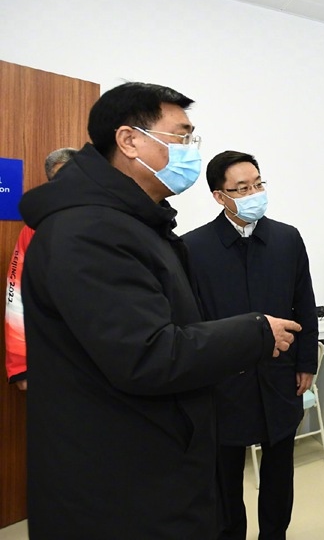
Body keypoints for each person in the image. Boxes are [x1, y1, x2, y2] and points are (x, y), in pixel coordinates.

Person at [18, 82, 301, 540]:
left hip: (150, 461)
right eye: (182, 136)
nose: (191, 150)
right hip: (119, 482)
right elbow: (148, 354)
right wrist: (256, 332)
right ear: (130, 141)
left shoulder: (136, 225)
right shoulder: (90, 231)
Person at [183, 151, 319, 540]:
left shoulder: (286, 239)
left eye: (258, 183)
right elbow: (190, 322)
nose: (253, 193)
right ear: (219, 196)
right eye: (241, 188)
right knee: (224, 481)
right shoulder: (193, 248)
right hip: (223, 381)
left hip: (280, 376)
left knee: (279, 476)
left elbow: (304, 304)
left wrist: (306, 362)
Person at [5, 147, 77, 390]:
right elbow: (15, 296)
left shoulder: (114, 222)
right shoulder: (34, 230)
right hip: (55, 360)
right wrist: (20, 365)